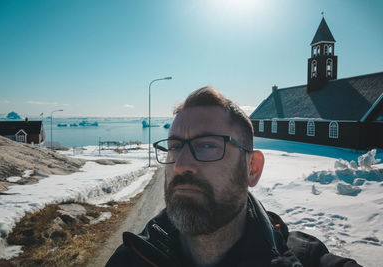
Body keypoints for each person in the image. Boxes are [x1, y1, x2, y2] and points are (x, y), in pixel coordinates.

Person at [106, 87, 361, 267]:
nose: (181, 165)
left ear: (252, 168)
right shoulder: (130, 259)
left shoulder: (306, 260)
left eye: (207, 145)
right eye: (174, 147)